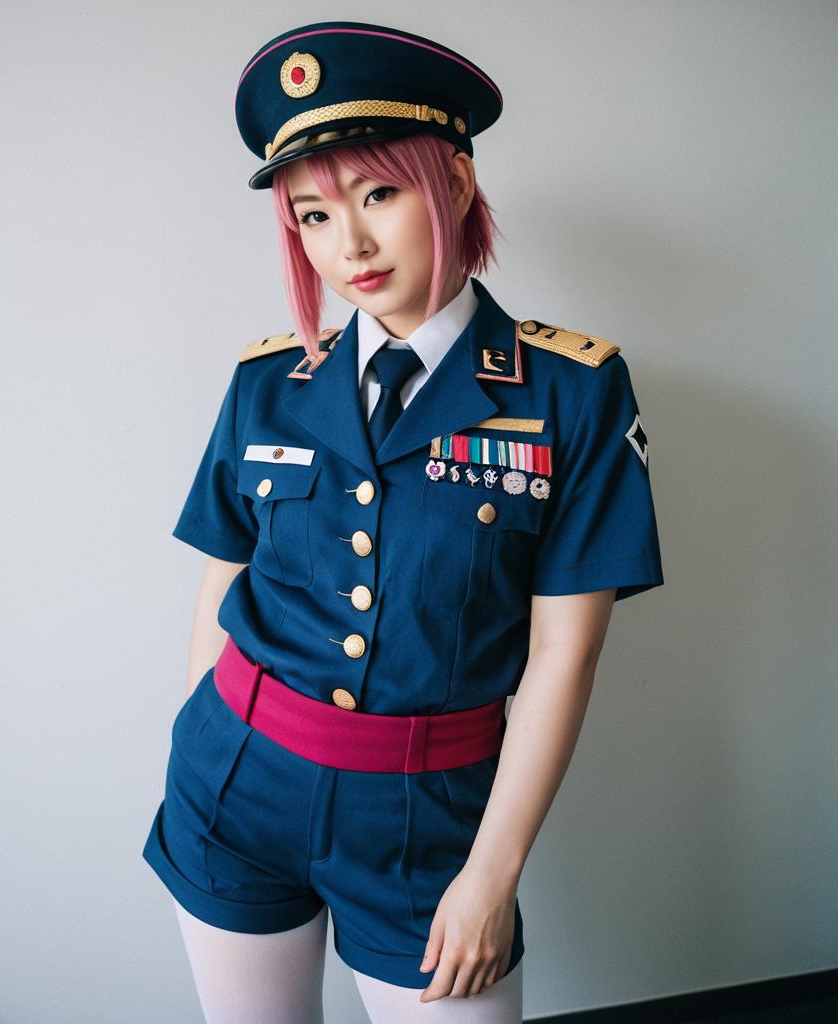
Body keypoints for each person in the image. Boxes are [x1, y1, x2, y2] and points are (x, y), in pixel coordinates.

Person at [141, 19, 664, 1024]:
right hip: (233, 784)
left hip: (427, 821)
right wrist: (197, 741)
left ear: (456, 185)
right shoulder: (268, 382)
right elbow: (222, 577)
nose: (352, 245)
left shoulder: (571, 392)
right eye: (314, 215)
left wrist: (490, 874)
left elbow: (562, 655)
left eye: (377, 194)